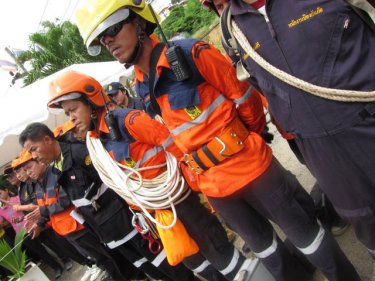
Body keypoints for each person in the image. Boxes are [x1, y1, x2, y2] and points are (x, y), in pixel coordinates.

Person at [73, 1, 360, 280]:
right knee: (267, 250)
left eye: (112, 29)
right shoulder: (139, 85)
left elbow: (244, 97)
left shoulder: (189, 54)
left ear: (139, 21)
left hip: (251, 168)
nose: (108, 42)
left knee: (307, 236)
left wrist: (249, 139)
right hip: (215, 188)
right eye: (101, 38)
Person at [46, 70, 253, 281]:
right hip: (154, 211)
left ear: (91, 101)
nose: (71, 118)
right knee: (192, 258)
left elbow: (176, 147)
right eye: (68, 113)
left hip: (179, 198)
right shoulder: (95, 140)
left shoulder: (129, 121)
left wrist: (193, 187)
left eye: (73, 110)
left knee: (216, 248)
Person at [211, 0, 375, 259]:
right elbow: (262, 85)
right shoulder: (231, 30)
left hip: (367, 119)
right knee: (365, 222)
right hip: (321, 152)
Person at [19, 122, 197, 281]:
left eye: (33, 149)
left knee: (162, 261)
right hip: (107, 232)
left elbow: (113, 183)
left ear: (47, 140)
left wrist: (136, 216)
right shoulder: (57, 168)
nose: (34, 156)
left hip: (126, 222)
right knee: (146, 267)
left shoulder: (80, 153)